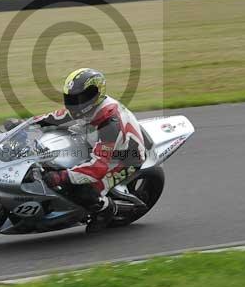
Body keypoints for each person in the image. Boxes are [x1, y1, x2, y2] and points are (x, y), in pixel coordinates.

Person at [9, 68, 146, 232]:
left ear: (97, 94)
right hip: (94, 142)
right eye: (72, 98)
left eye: (81, 98)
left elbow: (97, 168)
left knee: (82, 190)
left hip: (124, 158)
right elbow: (53, 118)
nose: (76, 102)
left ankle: (106, 209)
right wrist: (23, 125)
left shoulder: (109, 124)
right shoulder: (85, 107)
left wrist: (60, 177)